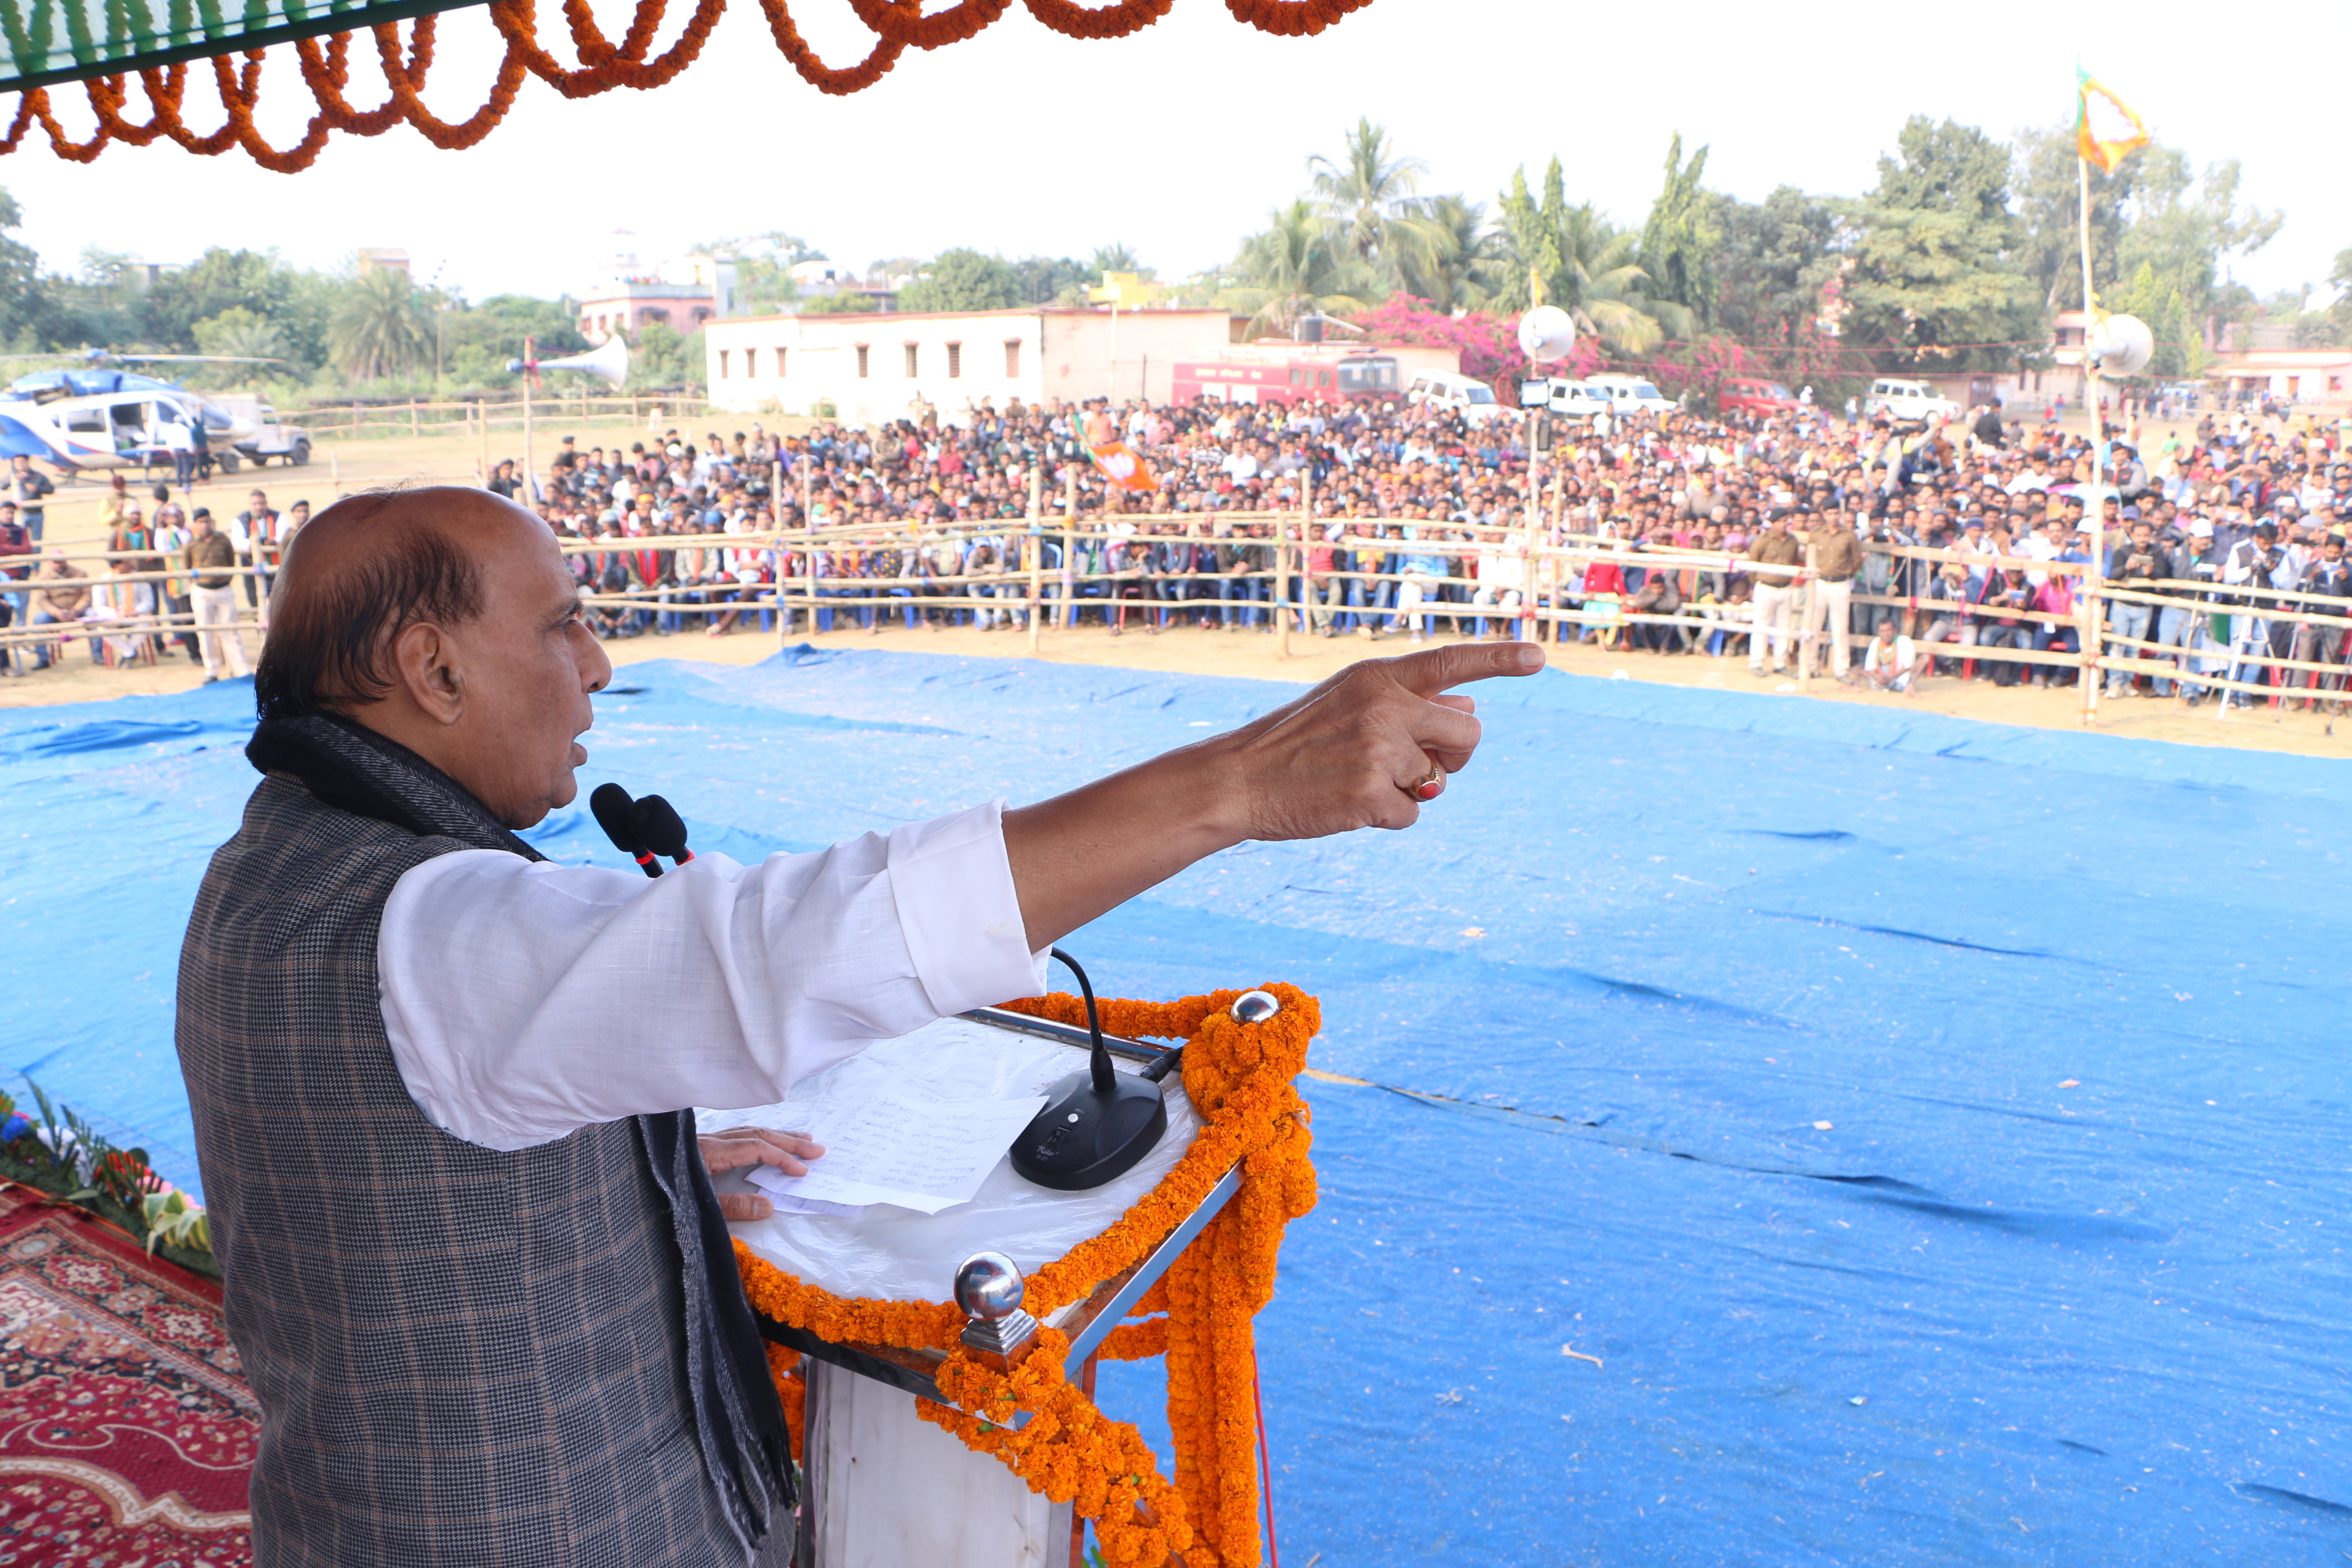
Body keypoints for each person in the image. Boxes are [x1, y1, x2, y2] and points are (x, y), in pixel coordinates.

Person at [177, 485, 1540, 1567]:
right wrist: (1240, 782)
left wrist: (615, 1163)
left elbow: (391, 1137)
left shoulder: (277, 866)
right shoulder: (437, 925)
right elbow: (785, 952)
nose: (597, 662)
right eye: (560, 625)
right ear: (432, 669)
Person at [184, 506, 251, 681]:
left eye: (207, 521)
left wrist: (225, 580)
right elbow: (187, 566)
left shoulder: (223, 540)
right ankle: (211, 671)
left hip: (223, 589)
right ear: (196, 525)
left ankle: (241, 669)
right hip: (202, 591)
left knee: (230, 629)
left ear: (211, 522)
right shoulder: (191, 544)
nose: (205, 525)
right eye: (201, 522)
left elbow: (231, 562)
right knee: (205, 631)